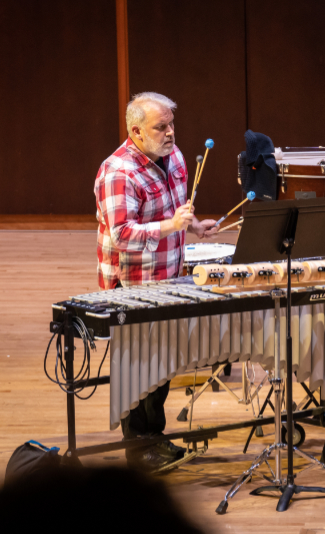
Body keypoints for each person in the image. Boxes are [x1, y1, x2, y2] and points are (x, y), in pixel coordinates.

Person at [95, 92, 219, 471]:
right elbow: (122, 234)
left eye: (171, 124)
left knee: (162, 365)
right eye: (160, 127)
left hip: (170, 276)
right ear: (136, 131)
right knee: (137, 368)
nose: (170, 132)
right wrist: (169, 226)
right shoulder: (118, 172)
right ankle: (138, 447)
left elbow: (174, 209)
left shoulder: (174, 156)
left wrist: (193, 226)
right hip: (133, 285)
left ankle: (155, 438)